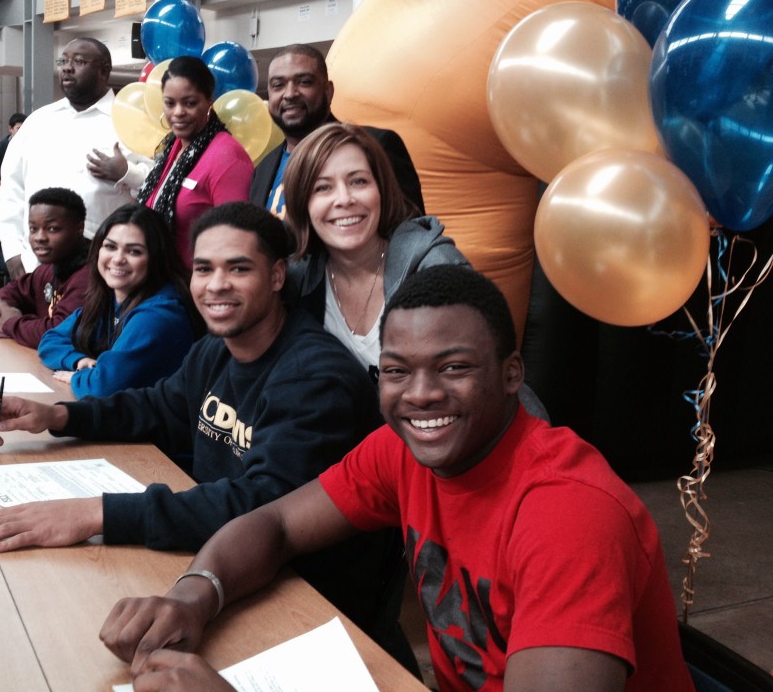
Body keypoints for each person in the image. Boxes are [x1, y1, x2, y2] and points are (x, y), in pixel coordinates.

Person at [98, 264, 695, 692]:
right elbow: (277, 522)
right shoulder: (401, 451)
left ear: (513, 374)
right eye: (396, 371)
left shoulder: (569, 514)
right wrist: (193, 595)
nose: (421, 394)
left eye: (454, 367)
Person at [0, 202, 401, 658]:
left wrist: (97, 514)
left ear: (276, 276)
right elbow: (159, 407)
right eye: (204, 268)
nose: (216, 285)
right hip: (219, 562)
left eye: (238, 268)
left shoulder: (315, 378)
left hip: (305, 608)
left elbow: (261, 507)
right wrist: (58, 417)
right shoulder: (217, 348)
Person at [282, 122, 466, 372]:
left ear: (381, 190)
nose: (345, 199)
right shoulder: (297, 280)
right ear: (302, 204)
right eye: (323, 187)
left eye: (358, 181)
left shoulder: (435, 266)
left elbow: (474, 378)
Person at [0, 38, 148, 281]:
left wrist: (126, 173)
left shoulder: (131, 122)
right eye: (63, 61)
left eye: (78, 61)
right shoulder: (38, 122)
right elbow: (11, 192)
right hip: (36, 265)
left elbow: (160, 186)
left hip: (105, 266)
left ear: (104, 70)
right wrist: (13, 253)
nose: (67, 67)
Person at [38, 203, 200, 399]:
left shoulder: (159, 314)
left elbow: (103, 388)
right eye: (110, 247)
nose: (118, 259)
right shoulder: (110, 299)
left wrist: (78, 378)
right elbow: (50, 341)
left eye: (134, 251)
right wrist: (78, 361)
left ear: (156, 258)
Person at [250, 44, 425, 218]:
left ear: (328, 92)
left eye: (304, 82)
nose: (289, 94)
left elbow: (413, 232)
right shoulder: (263, 169)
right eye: (278, 85)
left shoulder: (374, 146)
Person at [135, 56, 253, 267]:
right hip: (158, 280)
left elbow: (236, 239)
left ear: (209, 100)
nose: (178, 112)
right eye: (170, 103)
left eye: (189, 103)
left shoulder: (227, 156)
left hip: (197, 287)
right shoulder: (172, 148)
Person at [0, 187, 91, 348]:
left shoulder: (89, 274)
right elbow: (14, 290)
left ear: (79, 228)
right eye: (33, 229)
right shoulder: (50, 267)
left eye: (52, 229)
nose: (39, 237)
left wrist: (10, 323)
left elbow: (58, 333)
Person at [0, 111, 25, 185]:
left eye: (24, 128)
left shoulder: (29, 149)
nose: (22, 132)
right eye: (19, 128)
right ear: (10, 129)